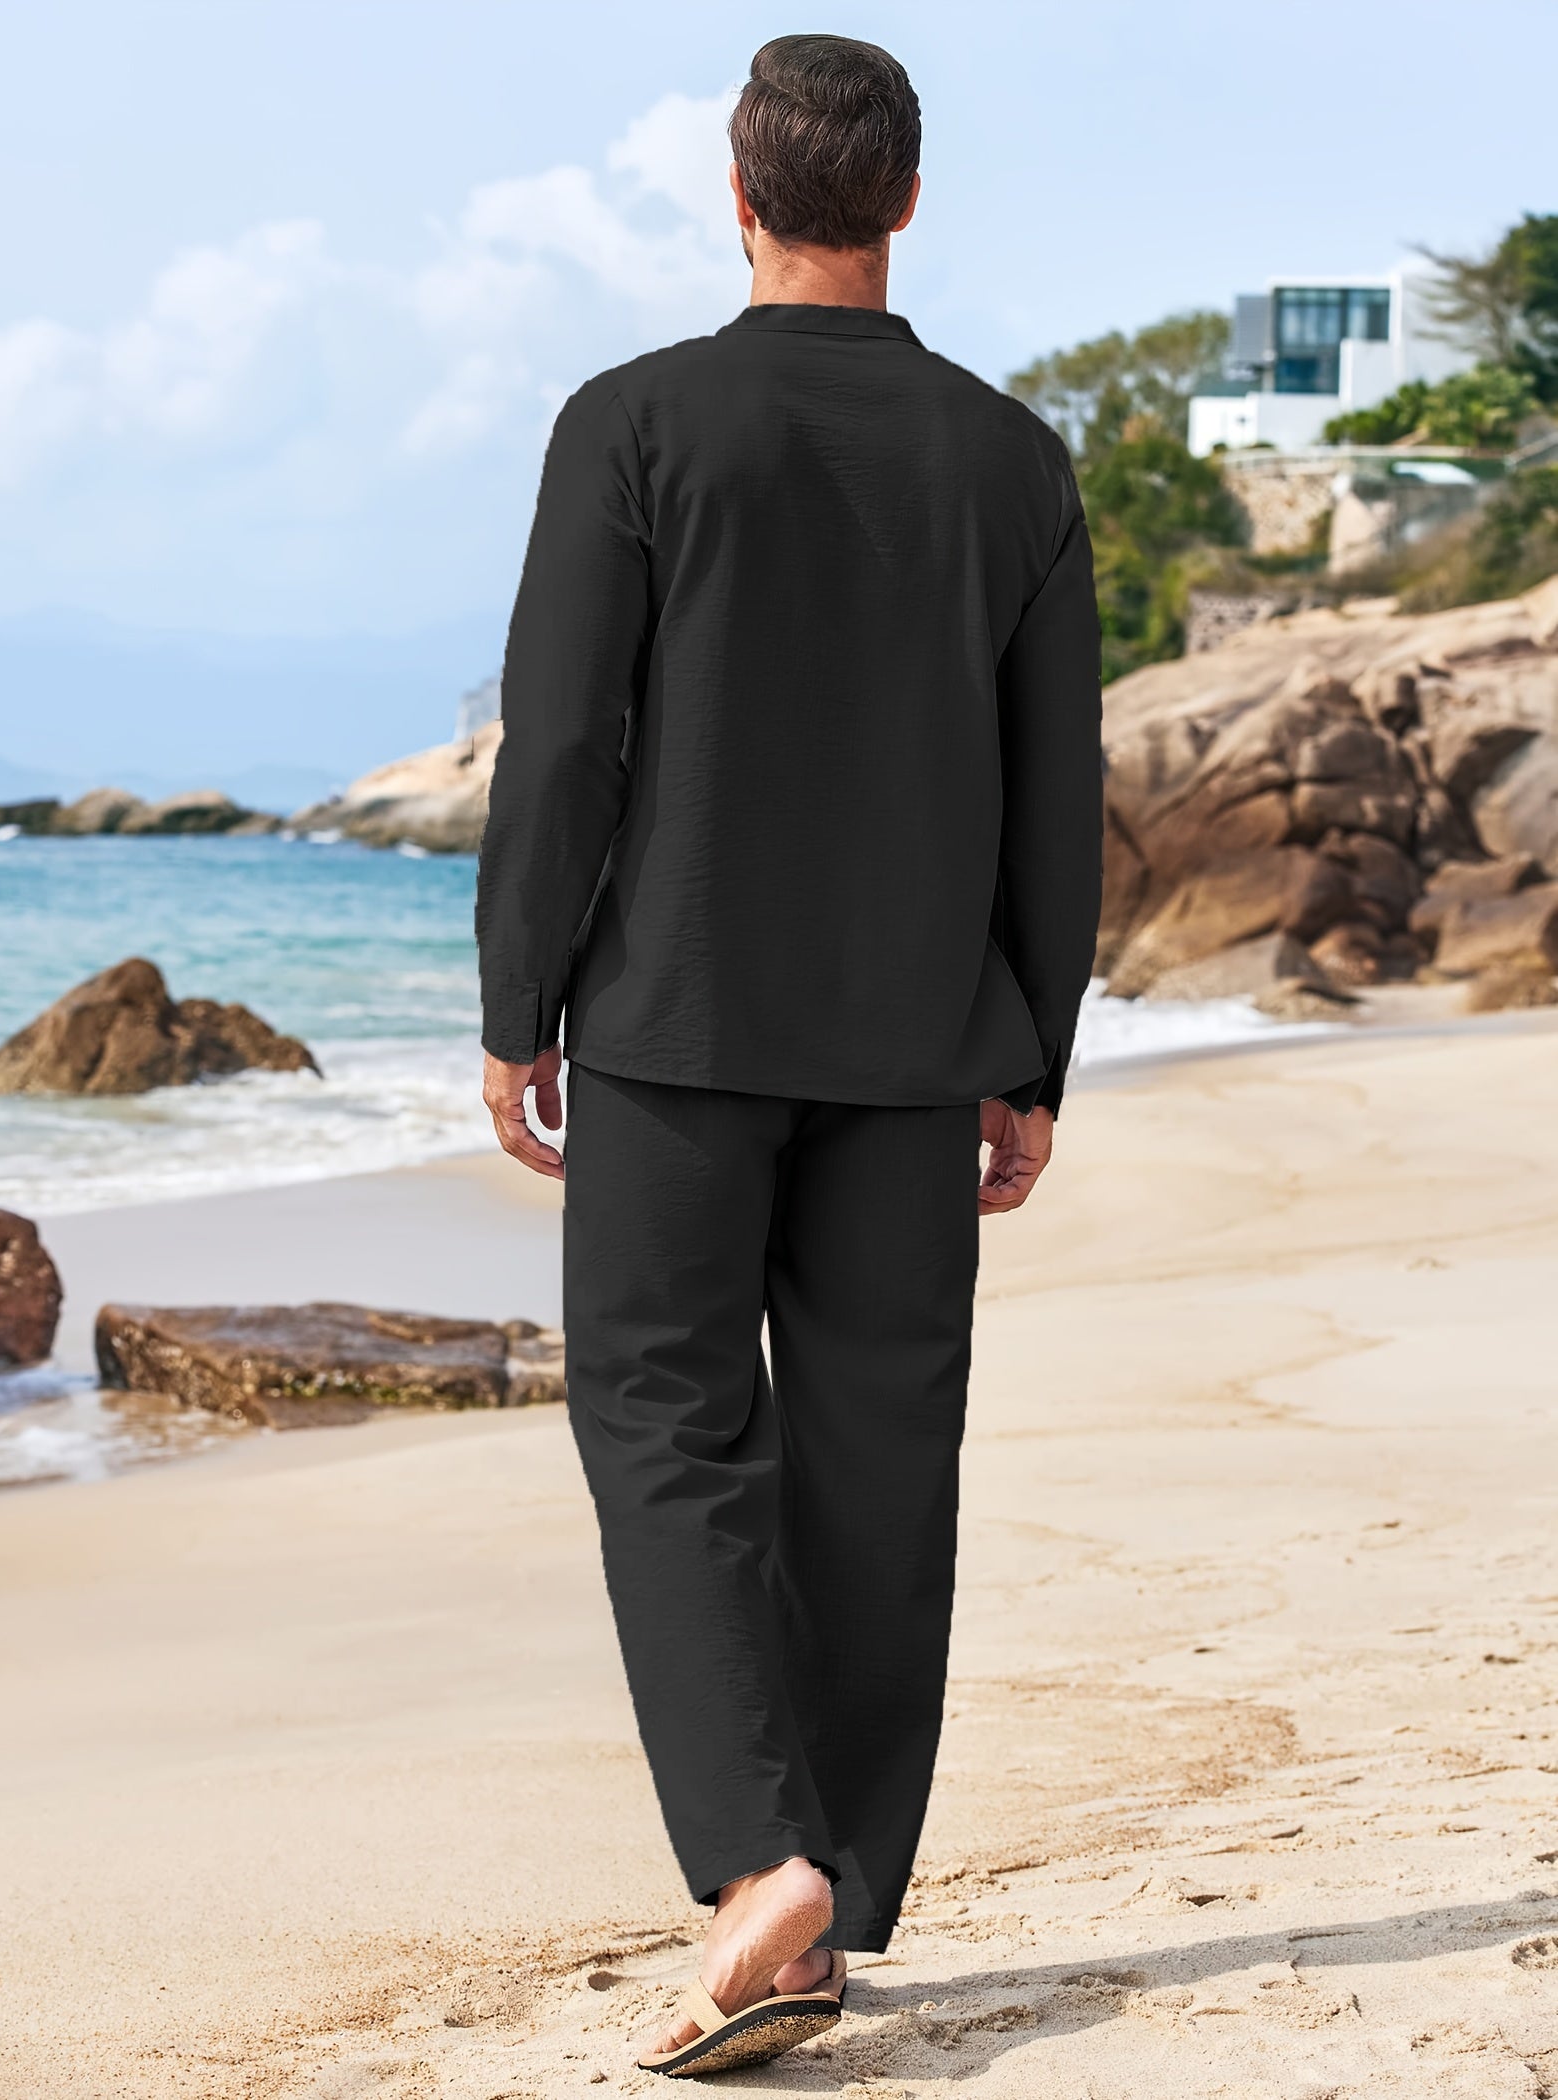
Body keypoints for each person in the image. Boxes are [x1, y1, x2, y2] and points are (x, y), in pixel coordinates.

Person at [477, 32, 1102, 2079]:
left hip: (670, 1029)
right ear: (903, 202)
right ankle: (826, 1882)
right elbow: (1050, 789)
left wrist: (515, 1007)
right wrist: (1036, 1056)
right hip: (922, 1050)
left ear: (734, 198)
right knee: (874, 1454)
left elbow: (565, 746)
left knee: (665, 1429)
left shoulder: (632, 423)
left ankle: (764, 1868)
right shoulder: (1013, 460)